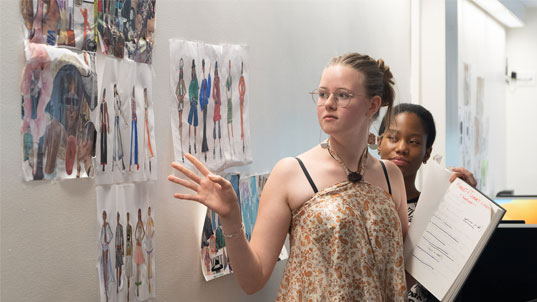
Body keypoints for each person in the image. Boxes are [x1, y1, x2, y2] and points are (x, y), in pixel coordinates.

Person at [169, 53, 409, 301]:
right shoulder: (291, 172)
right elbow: (253, 279)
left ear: (372, 105)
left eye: (343, 95)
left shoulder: (391, 176)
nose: (328, 103)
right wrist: (230, 217)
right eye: (323, 94)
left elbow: (404, 262)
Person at [377, 103, 477, 302]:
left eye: (413, 141)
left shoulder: (437, 211)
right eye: (393, 138)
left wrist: (469, 203)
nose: (402, 148)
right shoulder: (356, 205)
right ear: (379, 143)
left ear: (427, 153)